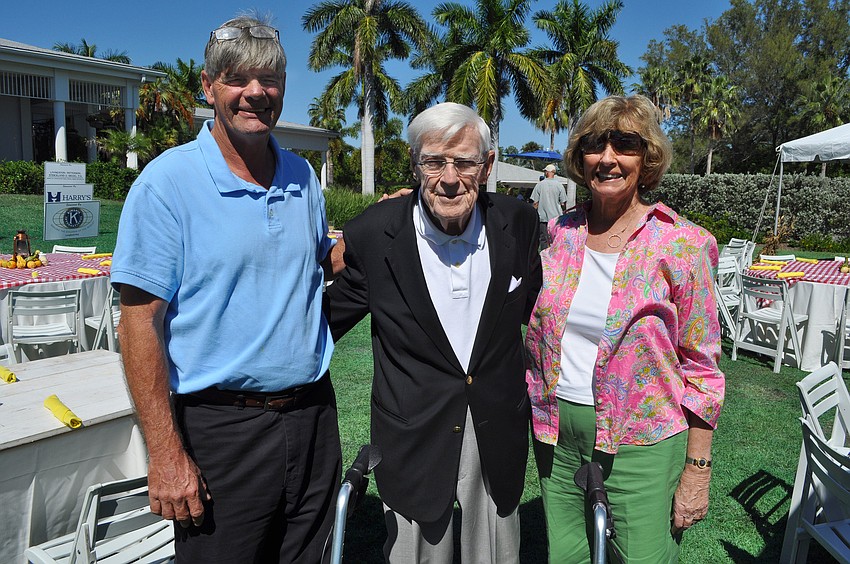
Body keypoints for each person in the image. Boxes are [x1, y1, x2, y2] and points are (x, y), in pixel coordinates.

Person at [111, 14, 342, 563]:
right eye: (238, 79)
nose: (256, 93)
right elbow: (139, 322)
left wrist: (382, 229)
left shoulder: (302, 177)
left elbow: (310, 260)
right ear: (208, 86)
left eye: (270, 80)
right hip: (222, 431)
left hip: (313, 421)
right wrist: (165, 454)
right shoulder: (167, 184)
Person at [326, 102, 542, 563]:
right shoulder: (374, 232)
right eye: (433, 161)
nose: (448, 177)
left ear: (486, 166)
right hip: (413, 434)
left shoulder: (517, 222)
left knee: (497, 555)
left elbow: (538, 308)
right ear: (415, 164)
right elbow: (320, 322)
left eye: (463, 162)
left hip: (496, 426)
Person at [524, 95, 725, 562]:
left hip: (644, 441)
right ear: (580, 156)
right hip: (557, 434)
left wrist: (697, 469)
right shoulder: (557, 235)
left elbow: (704, 368)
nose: (608, 157)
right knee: (567, 553)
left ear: (647, 157)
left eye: (626, 144)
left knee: (640, 556)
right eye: (596, 144)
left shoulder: (682, 244)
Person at [530, 163, 568, 249]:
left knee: (543, 239)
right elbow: (563, 202)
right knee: (555, 239)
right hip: (556, 218)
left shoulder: (539, 185)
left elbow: (535, 203)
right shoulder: (559, 185)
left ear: (547, 172)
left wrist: (534, 215)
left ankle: (544, 259)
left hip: (543, 218)